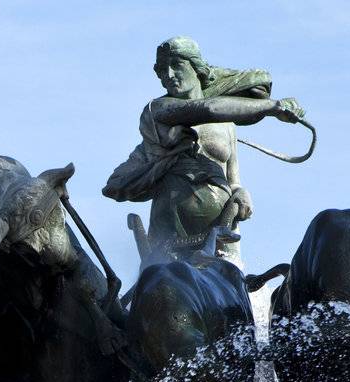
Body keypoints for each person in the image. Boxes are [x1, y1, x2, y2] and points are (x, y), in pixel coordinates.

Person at [104, 36, 304, 264]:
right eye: (162, 70)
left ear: (196, 68)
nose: (169, 75)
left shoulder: (227, 126)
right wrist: (272, 106)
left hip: (220, 234)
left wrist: (241, 194)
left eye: (177, 65)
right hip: (170, 236)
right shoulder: (157, 110)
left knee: (233, 295)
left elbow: (233, 179)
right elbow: (210, 108)